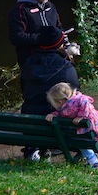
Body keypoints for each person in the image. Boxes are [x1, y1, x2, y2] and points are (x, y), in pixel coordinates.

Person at [19, 25, 79, 161]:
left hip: (31, 125)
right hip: (57, 126)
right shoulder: (66, 68)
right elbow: (75, 97)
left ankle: (34, 150)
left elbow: (24, 91)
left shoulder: (27, 65)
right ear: (59, 45)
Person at [45, 82, 98, 169]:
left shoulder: (70, 106)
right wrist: (55, 114)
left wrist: (82, 116)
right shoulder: (75, 99)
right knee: (78, 137)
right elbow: (65, 111)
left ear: (60, 101)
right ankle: (87, 157)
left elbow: (66, 112)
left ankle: (93, 161)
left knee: (79, 141)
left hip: (94, 131)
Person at [8, 0, 63, 66]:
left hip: (52, 59)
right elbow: (16, 37)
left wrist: (64, 42)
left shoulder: (50, 7)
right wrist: (42, 38)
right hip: (31, 62)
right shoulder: (20, 9)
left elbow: (59, 27)